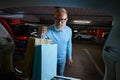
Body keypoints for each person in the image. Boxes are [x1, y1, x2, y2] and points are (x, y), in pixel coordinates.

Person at [40, 7, 73, 76]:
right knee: (49, 75)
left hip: (62, 60)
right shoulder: (48, 30)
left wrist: (69, 57)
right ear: (54, 18)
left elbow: (69, 44)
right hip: (50, 59)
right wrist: (40, 33)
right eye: (58, 19)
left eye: (63, 20)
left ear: (66, 20)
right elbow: (40, 42)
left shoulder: (69, 30)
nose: (60, 22)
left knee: (60, 75)